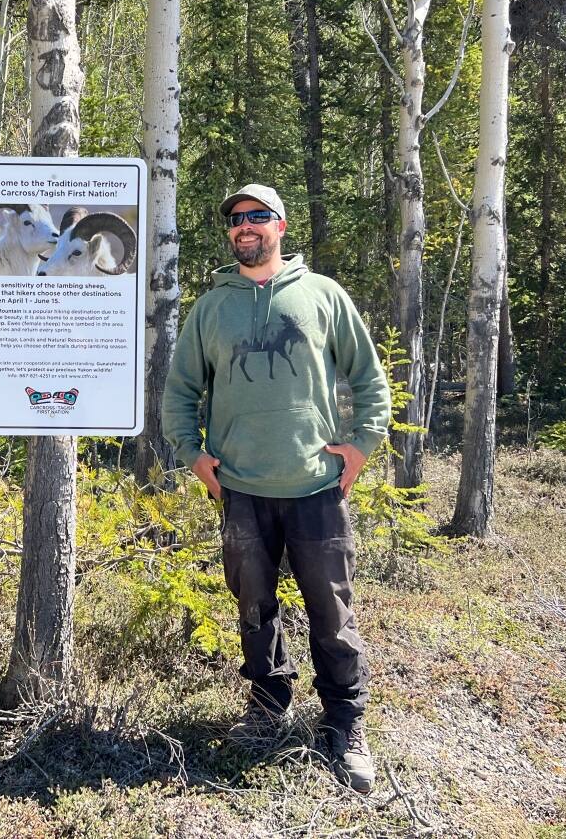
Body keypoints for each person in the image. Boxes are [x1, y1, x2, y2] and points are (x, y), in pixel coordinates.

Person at [161, 184, 391, 793]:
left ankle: (346, 724)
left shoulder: (322, 296)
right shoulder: (211, 309)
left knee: (331, 611)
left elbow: (369, 377)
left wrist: (362, 443)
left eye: (257, 217)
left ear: (280, 226)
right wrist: (195, 455)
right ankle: (268, 705)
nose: (245, 226)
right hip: (240, 487)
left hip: (316, 485)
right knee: (255, 607)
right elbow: (181, 390)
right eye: (236, 218)